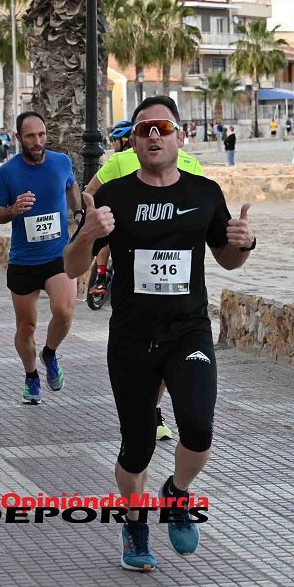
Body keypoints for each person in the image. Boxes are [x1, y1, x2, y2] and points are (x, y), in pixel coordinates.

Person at [64, 95, 255, 572]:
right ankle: (134, 523)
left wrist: (243, 246)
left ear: (179, 136)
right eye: (144, 129)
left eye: (163, 129)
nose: (154, 136)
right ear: (132, 140)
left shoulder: (205, 193)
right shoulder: (112, 196)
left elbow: (226, 258)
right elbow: (72, 268)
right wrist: (87, 233)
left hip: (187, 331)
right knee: (137, 446)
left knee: (199, 426)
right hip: (130, 337)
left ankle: (176, 493)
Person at [84, 118, 205, 443]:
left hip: (174, 275)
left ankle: (153, 409)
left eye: (163, 131)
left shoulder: (190, 165)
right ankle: (149, 411)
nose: (156, 138)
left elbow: (89, 192)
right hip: (138, 269)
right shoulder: (121, 163)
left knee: (167, 344)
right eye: (151, 131)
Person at [0, 110, 79, 404]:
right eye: (30, 136)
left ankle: (49, 353)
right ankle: (31, 375)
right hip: (24, 260)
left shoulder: (61, 162)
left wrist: (77, 211)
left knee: (64, 311)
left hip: (57, 255)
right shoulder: (8, 172)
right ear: (18, 139)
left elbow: (71, 185)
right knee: (26, 327)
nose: (37, 141)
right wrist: (13, 209)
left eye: (41, 135)